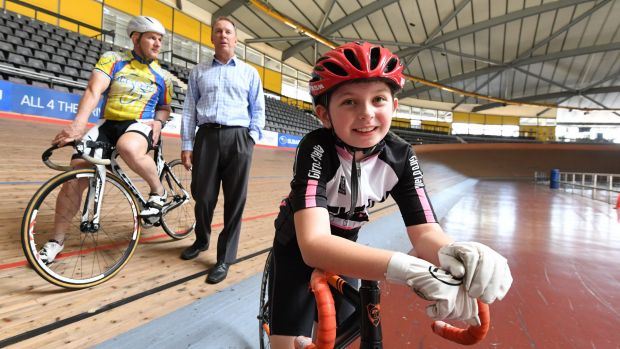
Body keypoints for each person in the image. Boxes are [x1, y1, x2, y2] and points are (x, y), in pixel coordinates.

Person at [267, 42, 513, 348]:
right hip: (297, 246)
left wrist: (455, 253)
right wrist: (408, 269)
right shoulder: (316, 147)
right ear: (324, 115)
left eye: (379, 99)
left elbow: (425, 232)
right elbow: (314, 245)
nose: (367, 113)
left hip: (345, 246)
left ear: (393, 107)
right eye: (349, 103)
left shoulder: (401, 155)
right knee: (285, 342)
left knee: (343, 333)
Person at [38, 16, 174, 264]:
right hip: (107, 125)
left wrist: (159, 121)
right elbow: (93, 90)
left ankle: (158, 191)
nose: (158, 44)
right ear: (136, 38)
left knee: (128, 146)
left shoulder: (162, 76)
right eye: (152, 37)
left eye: (160, 39)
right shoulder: (113, 60)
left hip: (139, 125)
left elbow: (165, 106)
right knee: (75, 176)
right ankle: (56, 241)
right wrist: (78, 124)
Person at [179, 16, 265, 284]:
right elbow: (189, 110)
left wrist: (250, 138)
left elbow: (258, 109)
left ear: (235, 39)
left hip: (238, 138)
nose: (223, 35)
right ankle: (202, 240)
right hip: (206, 137)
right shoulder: (199, 71)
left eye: (228, 31)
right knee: (203, 196)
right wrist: (187, 144)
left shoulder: (250, 72)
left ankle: (225, 258)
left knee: (234, 200)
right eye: (219, 31)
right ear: (212, 37)